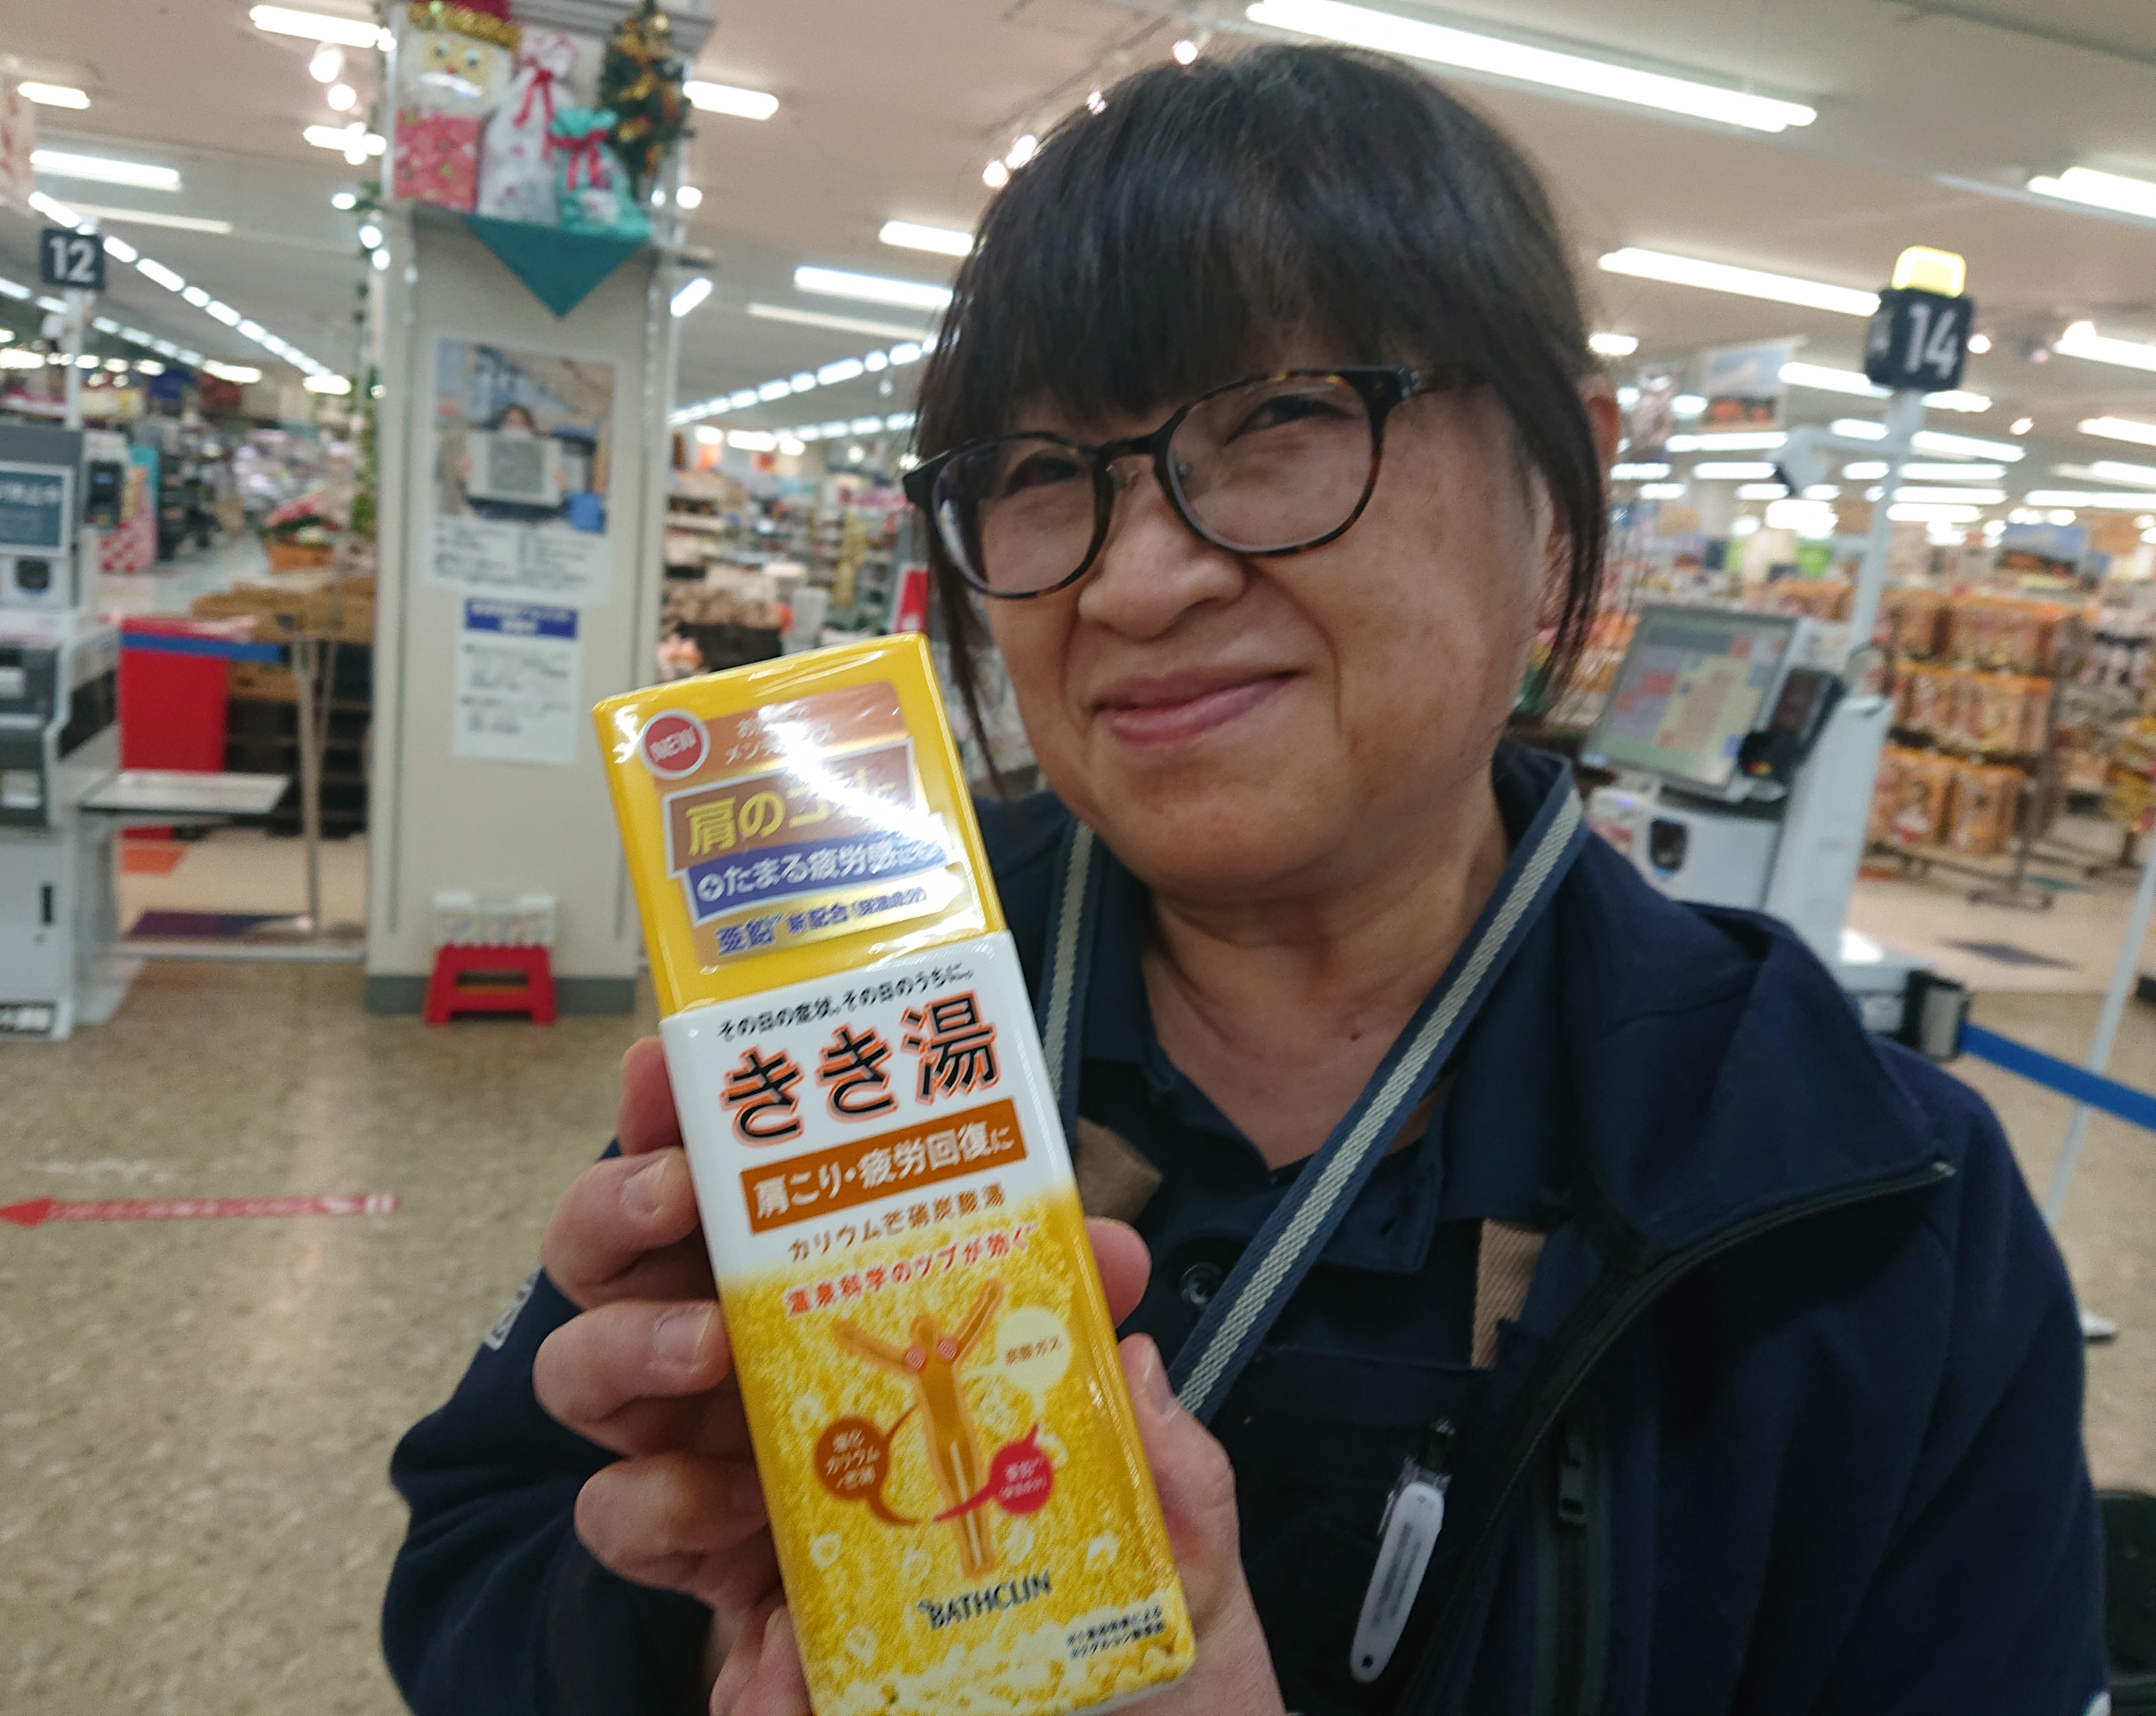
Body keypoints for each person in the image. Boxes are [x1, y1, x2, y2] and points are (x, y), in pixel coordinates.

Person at [383, 45, 2106, 1716]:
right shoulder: (846, 1004)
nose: (1137, 581)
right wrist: (697, 1630)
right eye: (1040, 474)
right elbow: (472, 1566)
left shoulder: (1869, 1209)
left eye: (1285, 418)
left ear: (1559, 496)